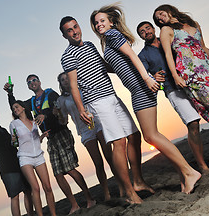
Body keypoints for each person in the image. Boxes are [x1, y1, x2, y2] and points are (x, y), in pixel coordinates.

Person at [90, 3, 201, 194]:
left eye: (102, 21)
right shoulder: (109, 40)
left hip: (141, 87)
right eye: (96, 22)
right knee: (153, 135)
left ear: (111, 22)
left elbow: (133, 56)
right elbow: (118, 66)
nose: (99, 24)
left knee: (151, 135)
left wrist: (146, 78)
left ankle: (189, 172)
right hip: (137, 88)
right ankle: (184, 176)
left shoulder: (112, 35)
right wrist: (99, 62)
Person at [60, 16, 154, 204]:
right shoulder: (67, 56)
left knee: (134, 136)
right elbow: (73, 85)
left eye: (75, 27)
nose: (75, 32)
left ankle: (137, 181)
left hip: (112, 96)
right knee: (118, 142)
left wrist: (125, 66)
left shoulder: (90, 46)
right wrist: (81, 109)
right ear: (65, 35)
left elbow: (104, 66)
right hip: (96, 102)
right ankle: (129, 192)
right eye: (69, 30)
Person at [4, 75, 95, 214]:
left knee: (70, 169)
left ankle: (89, 199)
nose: (32, 83)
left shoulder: (50, 93)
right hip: (51, 138)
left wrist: (44, 115)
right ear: (28, 86)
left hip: (61, 133)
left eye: (34, 80)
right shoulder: (32, 102)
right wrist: (10, 93)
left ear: (39, 82)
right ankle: (74, 204)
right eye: (29, 82)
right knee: (58, 174)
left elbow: (57, 106)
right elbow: (17, 106)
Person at [136, 21, 209, 173]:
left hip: (192, 82)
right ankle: (203, 166)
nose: (146, 32)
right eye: (142, 32)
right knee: (193, 123)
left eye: (147, 28)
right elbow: (144, 76)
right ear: (140, 36)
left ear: (153, 28)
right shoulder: (143, 55)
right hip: (172, 90)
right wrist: (153, 76)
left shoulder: (169, 40)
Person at [153, 4, 209, 143]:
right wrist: (176, 76)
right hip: (192, 75)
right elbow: (168, 55)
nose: (161, 19)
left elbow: (203, 46)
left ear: (170, 10)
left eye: (161, 14)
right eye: (158, 19)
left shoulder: (194, 24)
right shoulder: (166, 30)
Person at [55, 72, 124, 201]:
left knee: (109, 156)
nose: (65, 81)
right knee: (98, 162)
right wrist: (58, 114)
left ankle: (121, 186)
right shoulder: (61, 100)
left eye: (66, 78)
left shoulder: (81, 88)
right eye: (62, 80)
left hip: (96, 123)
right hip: (85, 130)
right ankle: (106, 192)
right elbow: (64, 121)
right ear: (60, 84)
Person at [10, 100, 56, 216]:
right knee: (35, 188)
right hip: (25, 158)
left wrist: (42, 136)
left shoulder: (34, 122)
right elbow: (15, 144)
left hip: (39, 156)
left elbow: (36, 140)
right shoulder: (14, 124)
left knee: (48, 187)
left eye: (16, 107)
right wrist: (14, 141)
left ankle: (54, 214)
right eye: (13, 109)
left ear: (23, 107)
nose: (15, 110)